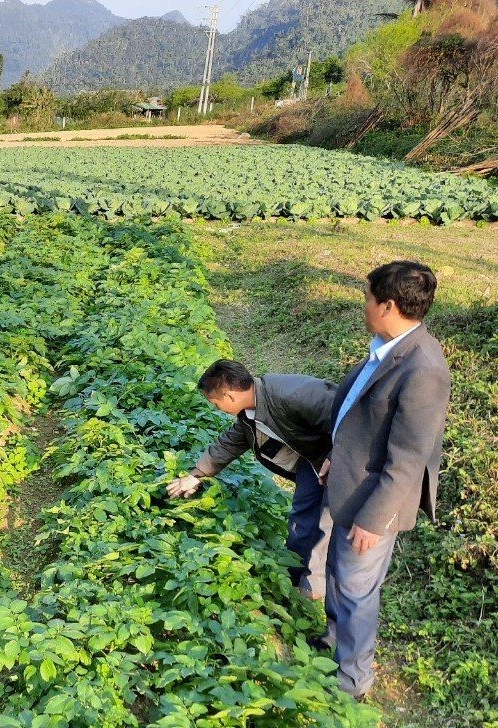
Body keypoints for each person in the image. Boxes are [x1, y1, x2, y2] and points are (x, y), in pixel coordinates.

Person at [320, 261, 450, 701]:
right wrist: (336, 457)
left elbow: (409, 458)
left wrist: (375, 520)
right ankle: (332, 647)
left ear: (388, 304)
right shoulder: (387, 346)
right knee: (338, 575)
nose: (365, 306)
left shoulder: (423, 368)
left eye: (368, 298)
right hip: (350, 480)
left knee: (357, 588)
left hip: (374, 498)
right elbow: (359, 414)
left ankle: (353, 680)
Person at [168, 360, 336, 599]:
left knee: (325, 523)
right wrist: (196, 475)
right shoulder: (250, 412)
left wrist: (336, 455)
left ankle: (313, 588)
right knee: (302, 516)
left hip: (343, 457)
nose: (217, 409)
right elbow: (230, 443)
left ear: (229, 396)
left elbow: (349, 417)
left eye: (216, 403)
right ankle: (292, 576)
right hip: (314, 460)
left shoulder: (292, 394)